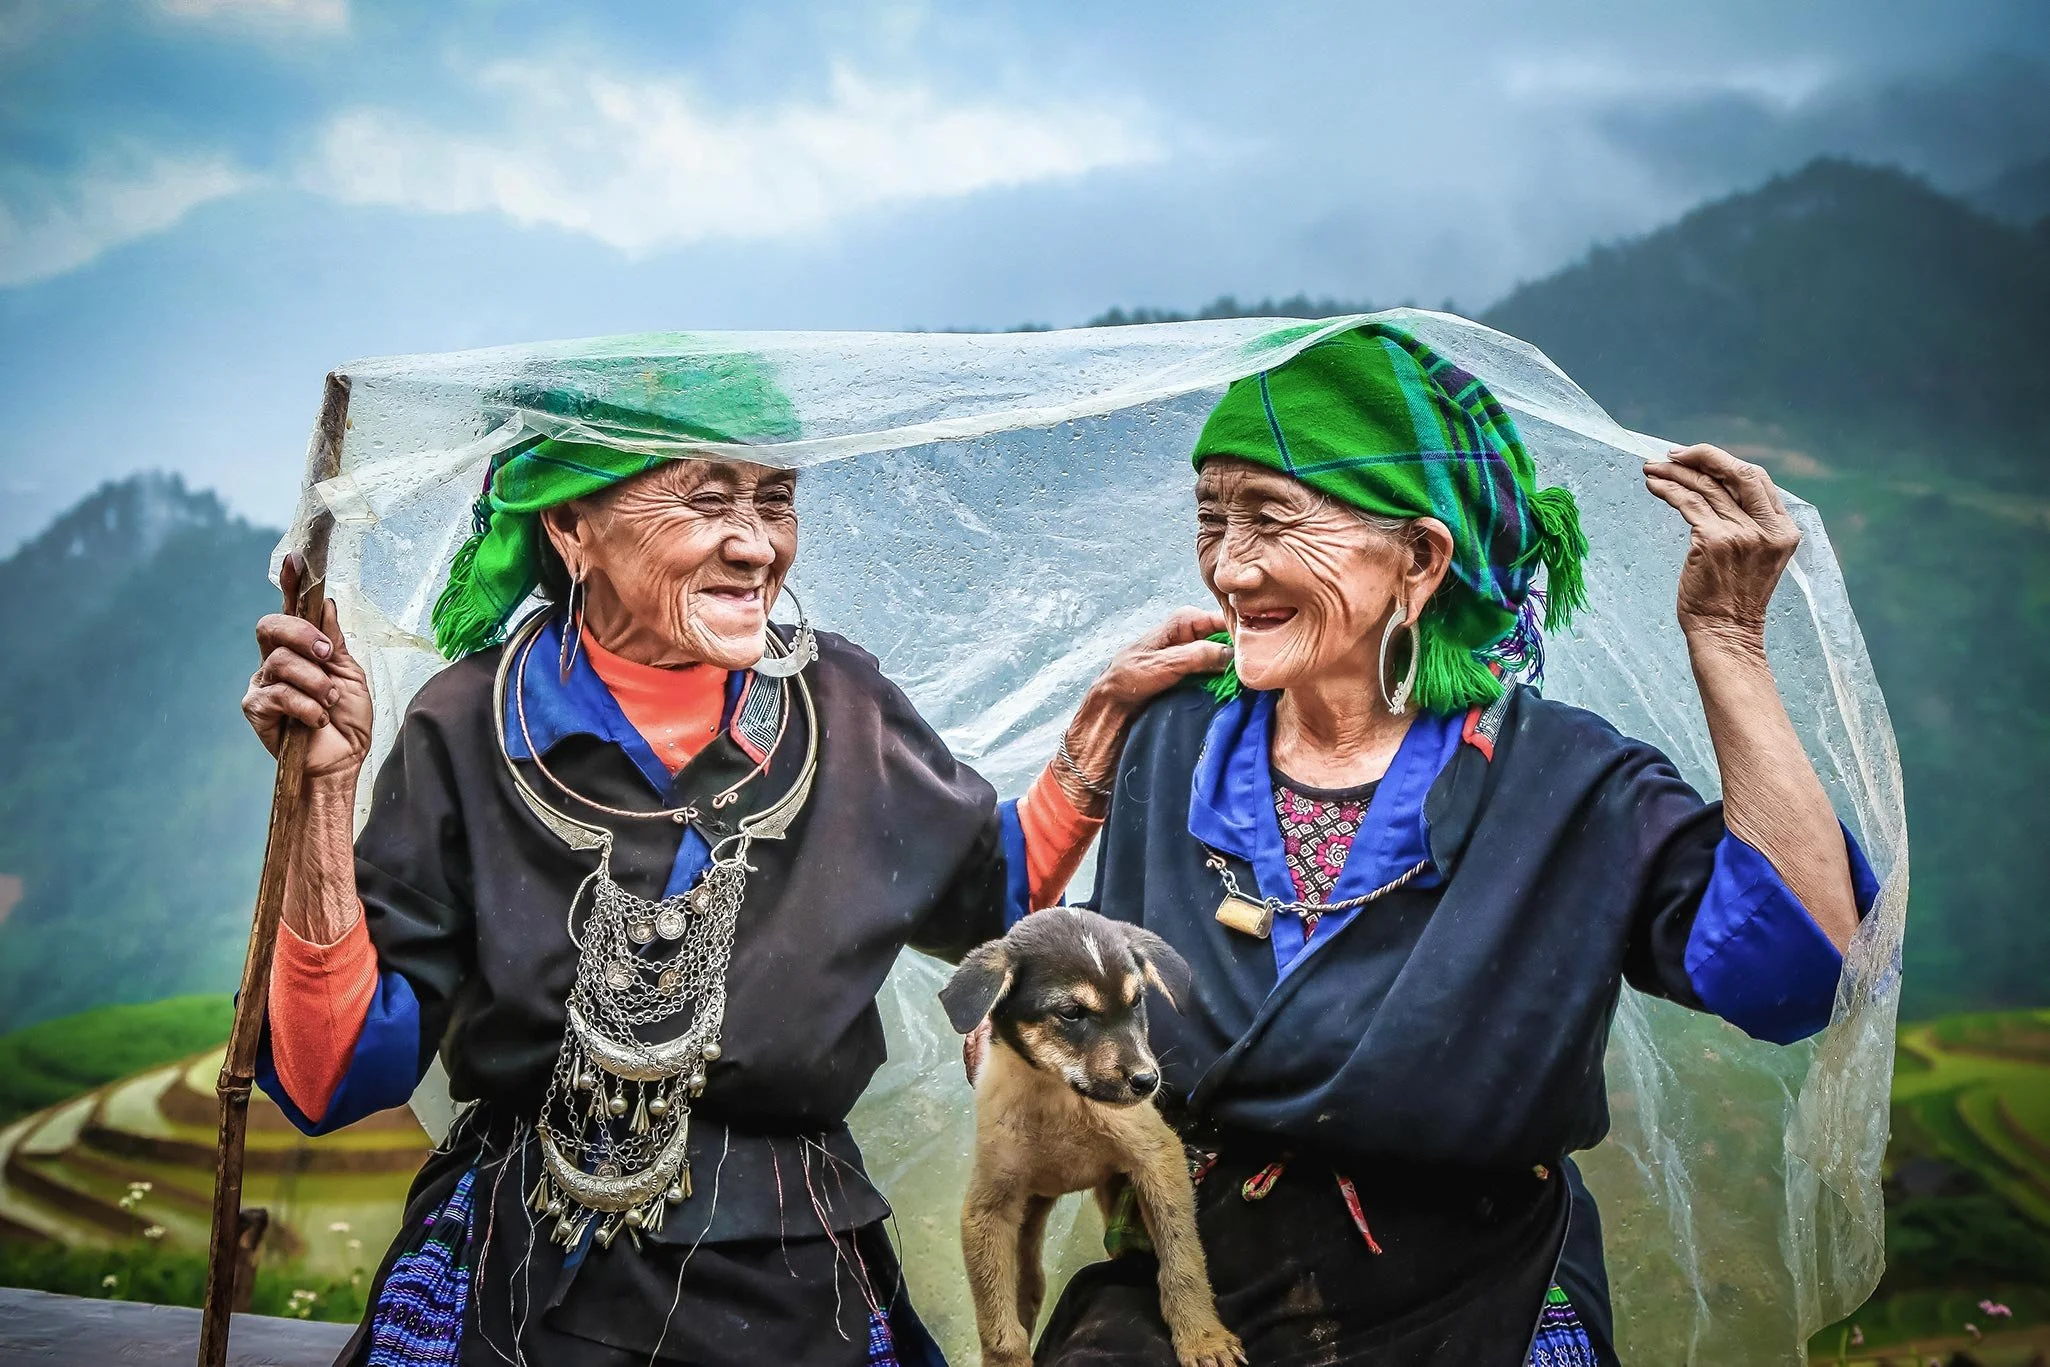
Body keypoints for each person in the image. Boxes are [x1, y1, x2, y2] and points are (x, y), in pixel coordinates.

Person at [241, 432, 1224, 1367]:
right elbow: (337, 1076)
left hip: (795, 1266)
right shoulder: (467, 725)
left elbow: (988, 889)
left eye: (775, 500)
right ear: (569, 527)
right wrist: (326, 788)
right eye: (707, 501)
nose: (756, 545)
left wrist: (1100, 727)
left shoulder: (838, 701)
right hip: (522, 1271)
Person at [1013, 323, 1876, 1366]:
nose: (1231, 568)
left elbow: (1799, 972)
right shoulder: (1173, 738)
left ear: (1419, 557)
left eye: (1271, 520)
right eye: (1212, 520)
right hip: (1194, 1291)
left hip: (1480, 1298)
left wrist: (1730, 645)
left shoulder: (1565, 781)